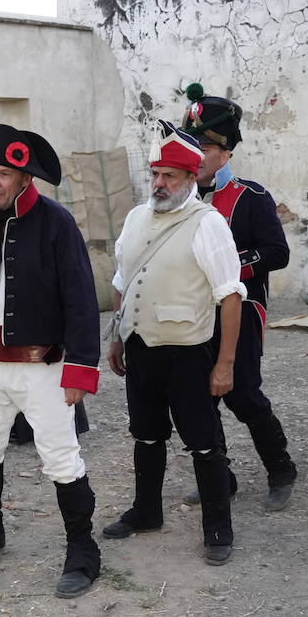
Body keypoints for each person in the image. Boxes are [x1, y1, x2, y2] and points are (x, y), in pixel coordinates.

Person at [0, 124, 103, 599]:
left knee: (60, 459)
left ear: (25, 179)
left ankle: (83, 549)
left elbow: (80, 299)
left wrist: (81, 369)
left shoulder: (56, 223)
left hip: (43, 367)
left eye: (3, 173)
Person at [103, 121, 246, 564]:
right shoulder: (135, 217)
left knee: (203, 441)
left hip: (189, 351)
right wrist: (117, 335)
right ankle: (146, 511)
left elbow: (230, 296)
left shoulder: (209, 224)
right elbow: (122, 280)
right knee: (146, 435)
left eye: (170, 176)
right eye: (155, 174)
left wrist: (224, 365)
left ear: (190, 180)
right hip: (142, 346)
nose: (159, 184)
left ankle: (218, 527)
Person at [179, 85, 296, 511]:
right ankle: (219, 477)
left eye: (204, 146)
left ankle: (281, 468)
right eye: (191, 144)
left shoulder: (252, 197)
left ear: (225, 153)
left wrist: (229, 265)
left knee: (242, 393)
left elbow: (277, 253)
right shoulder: (180, 198)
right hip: (192, 313)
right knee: (198, 396)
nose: (196, 154)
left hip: (242, 308)